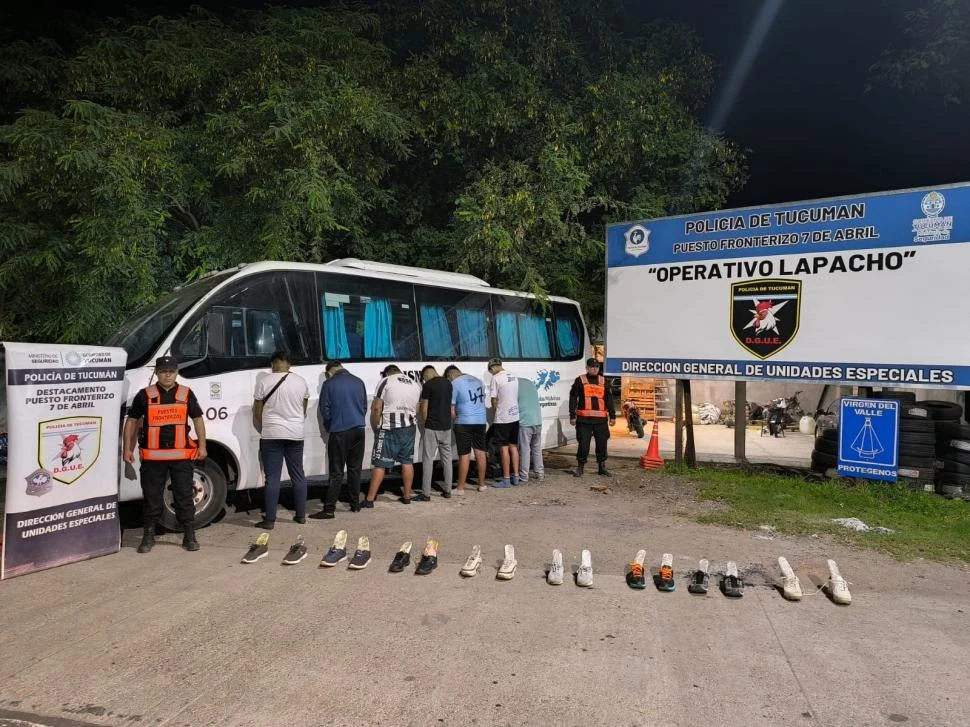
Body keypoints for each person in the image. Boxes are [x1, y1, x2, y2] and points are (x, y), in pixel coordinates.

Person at [122, 356, 207, 553]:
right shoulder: (145, 395)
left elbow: (197, 419)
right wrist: (127, 448)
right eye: (163, 372)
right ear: (157, 373)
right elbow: (132, 421)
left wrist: (202, 446)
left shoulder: (186, 393)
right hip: (153, 459)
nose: (167, 375)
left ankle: (189, 536)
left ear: (176, 372)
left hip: (180, 457)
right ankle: (148, 537)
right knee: (151, 498)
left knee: (184, 496)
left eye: (171, 371)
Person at [251, 350, 309, 529]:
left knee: (273, 477)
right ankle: (301, 516)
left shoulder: (263, 381)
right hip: (296, 434)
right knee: (298, 474)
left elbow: (257, 411)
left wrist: (268, 425)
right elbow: (303, 409)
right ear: (289, 364)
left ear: (272, 364)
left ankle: (269, 520)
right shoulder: (301, 381)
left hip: (271, 435)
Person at [313, 360, 367, 518]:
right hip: (359, 430)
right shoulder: (359, 381)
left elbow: (325, 409)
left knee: (336, 472)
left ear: (329, 372)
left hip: (340, 431)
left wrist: (330, 426)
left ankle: (329, 509)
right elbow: (364, 406)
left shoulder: (329, 384)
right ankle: (355, 504)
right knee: (355, 469)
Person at [363, 364, 422, 506]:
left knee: (380, 463)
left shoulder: (386, 381)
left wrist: (376, 426)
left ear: (387, 373)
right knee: (407, 462)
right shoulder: (415, 384)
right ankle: (407, 496)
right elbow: (417, 409)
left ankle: (369, 499)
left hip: (389, 428)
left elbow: (377, 408)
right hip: (409, 428)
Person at [569, 357, 616, 477]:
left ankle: (602, 467)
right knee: (583, 444)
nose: (594, 369)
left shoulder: (603, 381)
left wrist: (613, 416)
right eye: (592, 367)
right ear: (587, 368)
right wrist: (572, 415)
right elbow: (573, 398)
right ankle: (580, 468)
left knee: (602, 444)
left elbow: (609, 400)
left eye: (596, 367)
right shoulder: (580, 380)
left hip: (601, 421)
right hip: (584, 421)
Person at [445, 365, 487, 493]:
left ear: (450, 376)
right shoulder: (478, 380)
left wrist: (454, 421)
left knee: (464, 455)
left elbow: (452, 411)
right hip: (481, 421)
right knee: (480, 452)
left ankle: (460, 488)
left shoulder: (455, 384)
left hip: (464, 422)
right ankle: (482, 484)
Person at [418, 365, 454, 499]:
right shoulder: (448, 384)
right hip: (446, 426)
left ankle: (426, 493)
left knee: (428, 459)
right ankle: (448, 490)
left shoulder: (428, 386)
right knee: (447, 460)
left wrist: (425, 422)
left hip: (432, 427)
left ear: (426, 375)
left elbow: (424, 409)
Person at [487, 357, 520, 488]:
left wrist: (495, 411)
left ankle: (506, 479)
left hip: (503, 419)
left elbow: (494, 399)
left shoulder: (496, 378)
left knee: (504, 448)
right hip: (515, 416)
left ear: (492, 368)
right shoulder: (513, 375)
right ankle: (516, 477)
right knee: (514, 447)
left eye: (490, 371)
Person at [516, 377, 544, 483]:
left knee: (525, 449)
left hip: (525, 421)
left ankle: (524, 476)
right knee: (536, 448)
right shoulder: (530, 384)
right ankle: (540, 473)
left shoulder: (515, 385)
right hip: (537, 420)